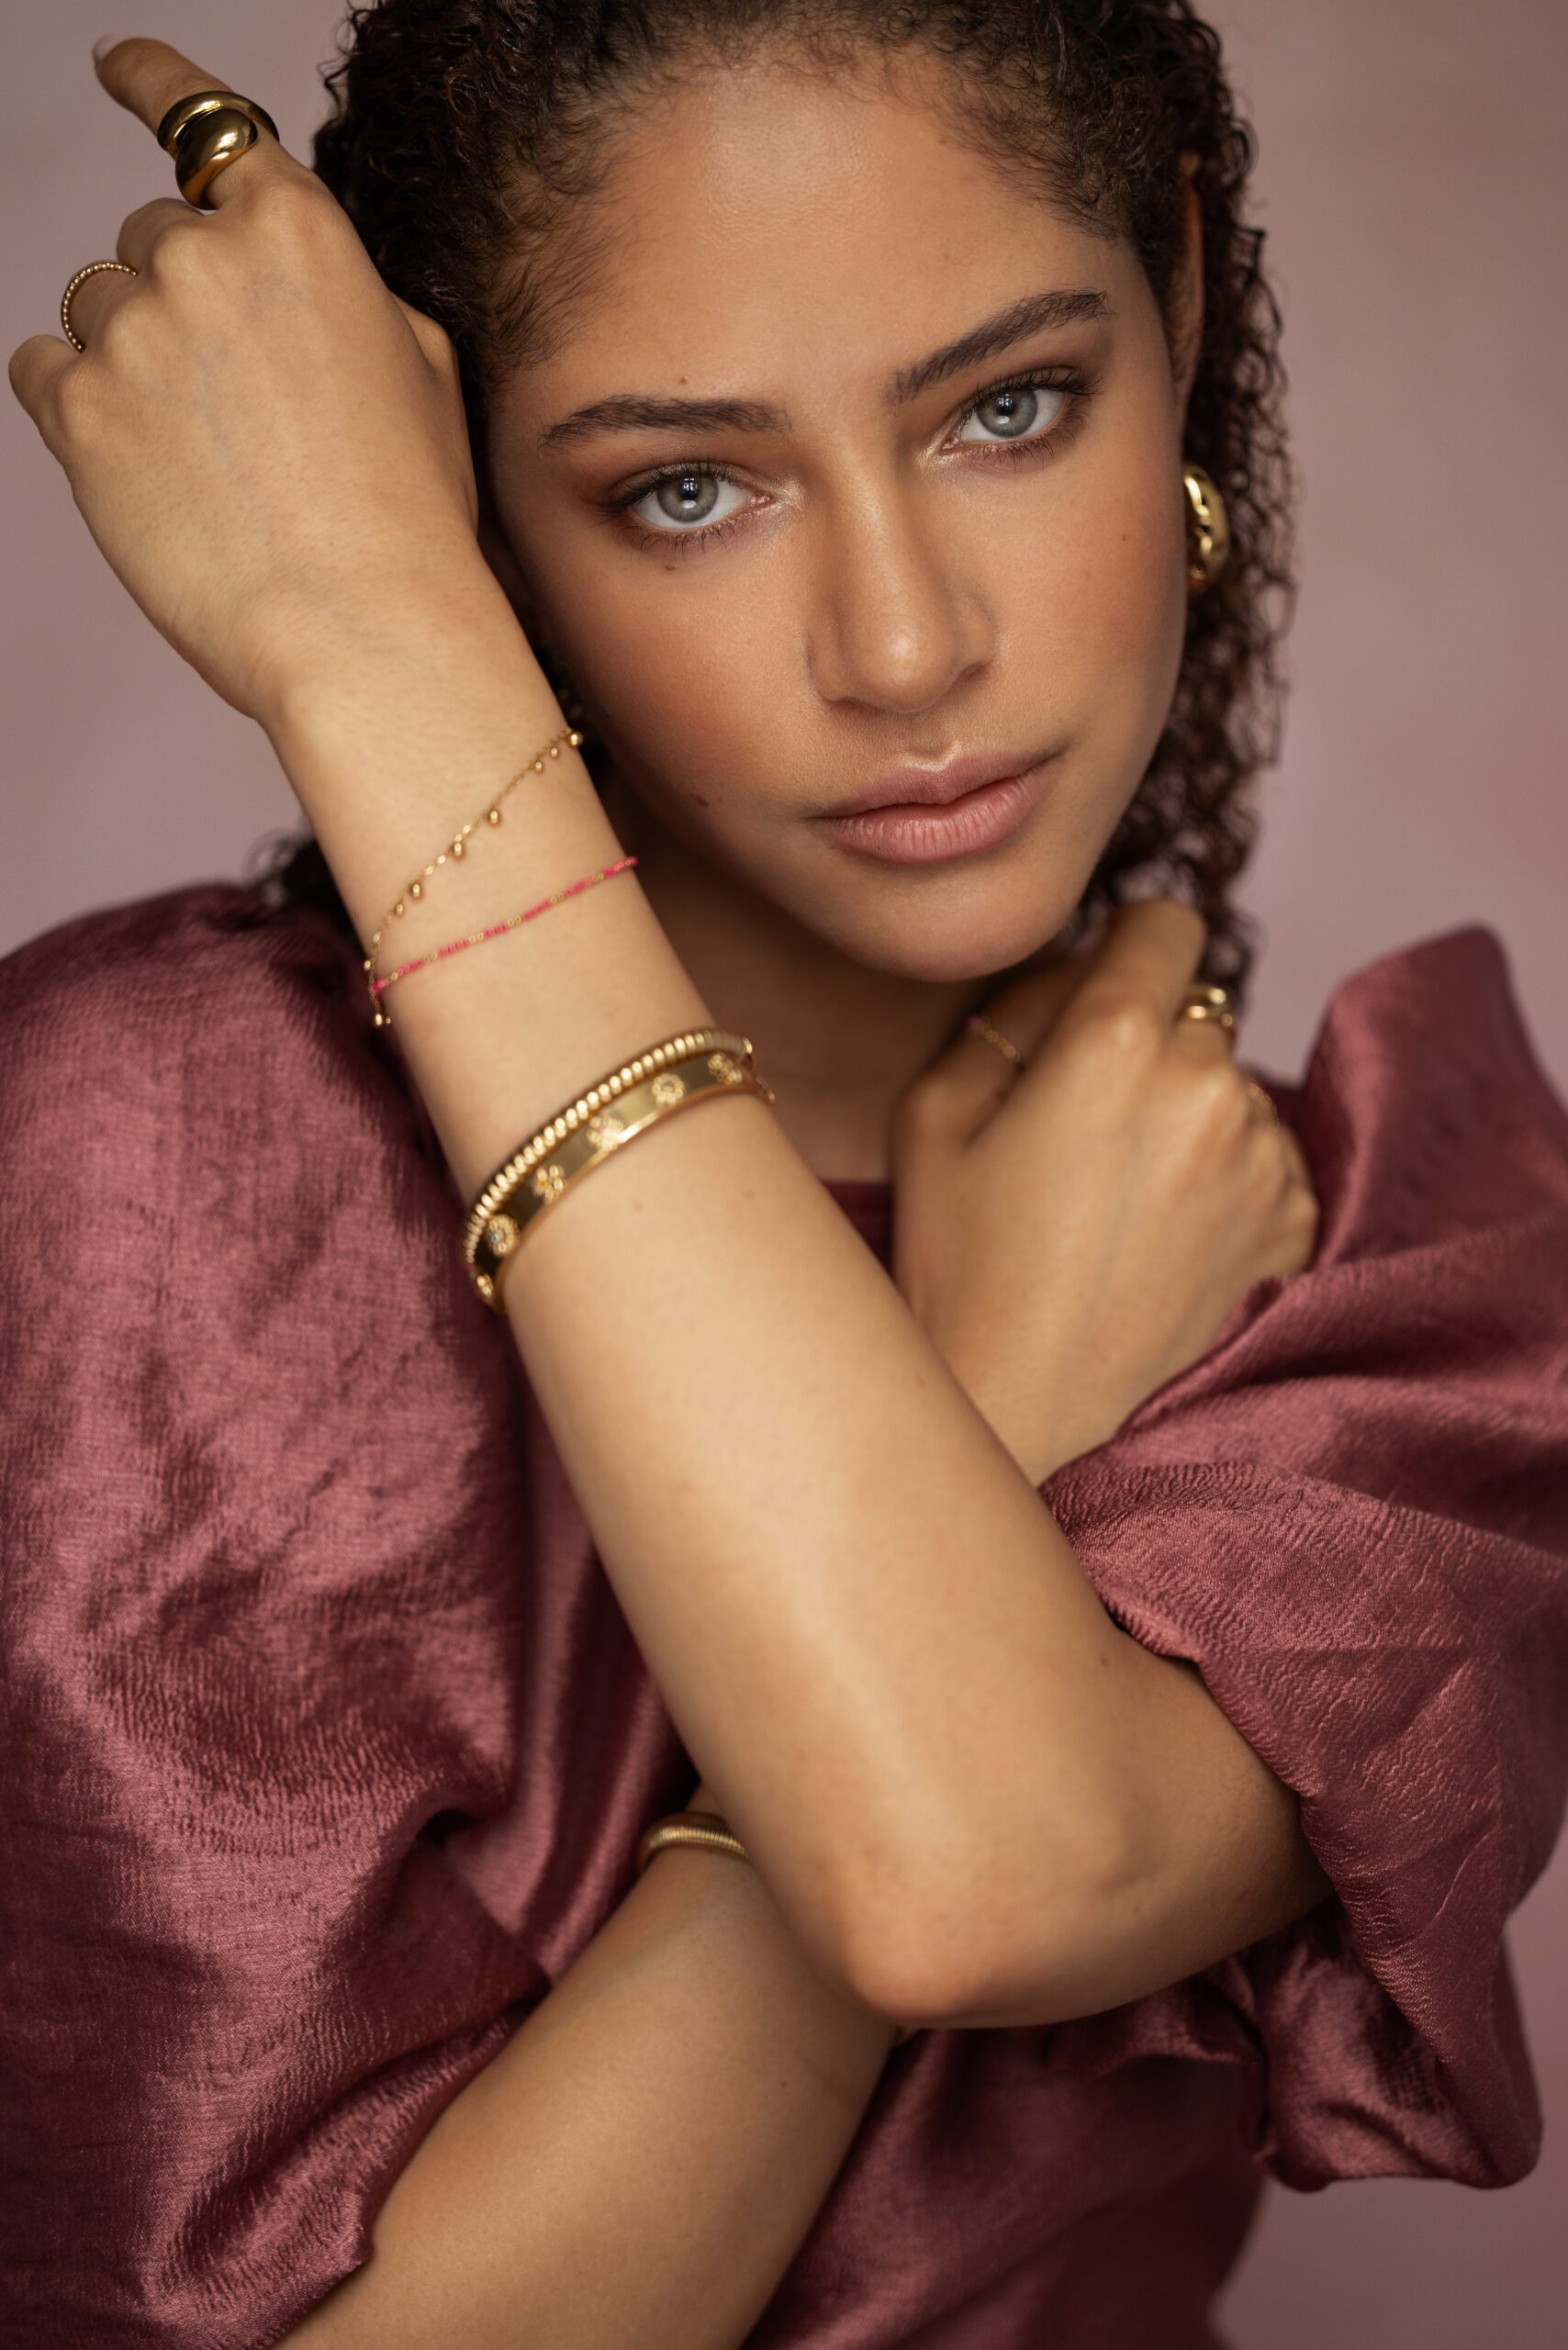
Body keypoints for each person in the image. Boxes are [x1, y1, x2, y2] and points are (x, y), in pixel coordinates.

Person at [4, 9, 1566, 2347]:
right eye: (682, 491)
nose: (907, 644)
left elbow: (977, 1864)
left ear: (1175, 296)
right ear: (463, 507)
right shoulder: (139, 1166)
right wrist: (369, 642)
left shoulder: (1363, 1251)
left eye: (1007, 407)